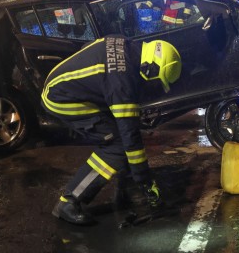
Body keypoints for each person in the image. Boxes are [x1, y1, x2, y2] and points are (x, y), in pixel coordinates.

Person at [42, 37, 182, 225]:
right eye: (155, 81)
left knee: (120, 141)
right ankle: (69, 201)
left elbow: (87, 49)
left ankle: (123, 186)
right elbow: (130, 136)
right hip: (61, 100)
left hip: (58, 83)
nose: (152, 87)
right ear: (149, 69)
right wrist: (144, 180)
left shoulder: (127, 44)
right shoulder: (122, 83)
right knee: (116, 147)